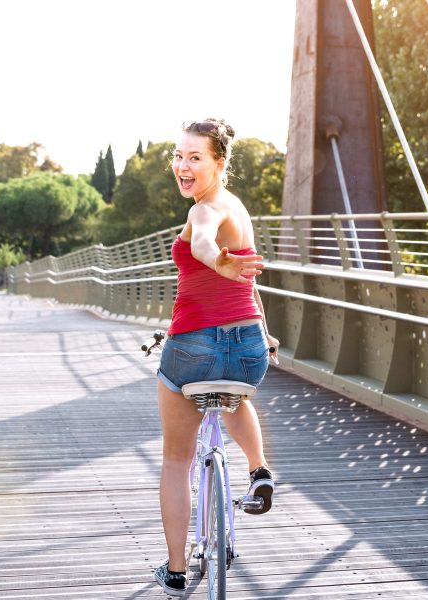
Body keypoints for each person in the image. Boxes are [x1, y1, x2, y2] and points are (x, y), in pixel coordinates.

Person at [153, 118, 278, 596]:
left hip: (193, 344)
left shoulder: (206, 209)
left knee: (175, 460)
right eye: (178, 156)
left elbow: (202, 242)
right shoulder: (240, 210)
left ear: (219, 163)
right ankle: (258, 469)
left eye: (195, 157)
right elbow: (248, 282)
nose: (182, 166)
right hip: (247, 347)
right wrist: (262, 332)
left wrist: (215, 259)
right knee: (233, 395)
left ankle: (177, 569)